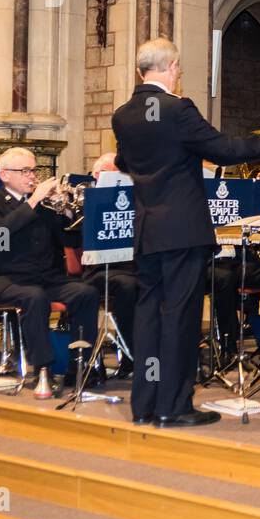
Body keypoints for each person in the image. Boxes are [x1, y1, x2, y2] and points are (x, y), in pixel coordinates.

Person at [112, 38, 260, 427]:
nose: (179, 74)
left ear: (140, 71)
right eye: (178, 68)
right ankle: (174, 406)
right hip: (183, 230)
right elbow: (224, 149)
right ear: (170, 68)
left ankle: (145, 404)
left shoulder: (123, 115)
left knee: (149, 314)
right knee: (181, 317)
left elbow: (124, 159)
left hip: (147, 229)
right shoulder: (177, 109)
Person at [0, 148, 101, 399]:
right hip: (4, 279)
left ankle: (80, 364)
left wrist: (68, 214)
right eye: (24, 171)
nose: (31, 176)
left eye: (33, 170)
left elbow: (67, 238)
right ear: (4, 175)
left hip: (44, 278)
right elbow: (1, 235)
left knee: (86, 292)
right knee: (34, 297)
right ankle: (43, 368)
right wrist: (33, 202)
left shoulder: (43, 205)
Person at [80, 152, 140, 378]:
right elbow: (68, 238)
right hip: (99, 270)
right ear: (97, 175)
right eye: (113, 174)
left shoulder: (134, 198)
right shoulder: (86, 200)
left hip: (131, 267)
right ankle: (130, 356)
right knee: (128, 286)